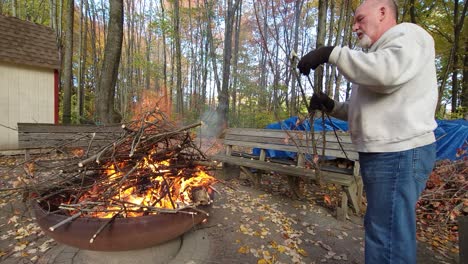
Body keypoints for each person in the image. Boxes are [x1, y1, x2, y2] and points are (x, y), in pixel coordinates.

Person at [297, 0, 438, 263]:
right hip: (388, 153)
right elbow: (370, 106)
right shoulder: (381, 53)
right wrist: (332, 106)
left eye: (360, 19)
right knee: (383, 231)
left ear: (383, 12)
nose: (355, 26)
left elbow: (386, 75)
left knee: (387, 239)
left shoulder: (408, 35)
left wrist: (331, 53)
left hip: (399, 153)